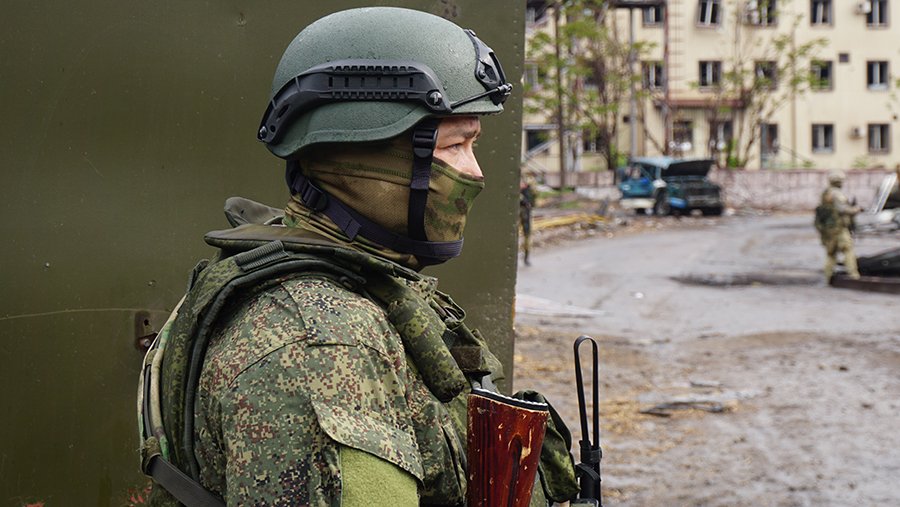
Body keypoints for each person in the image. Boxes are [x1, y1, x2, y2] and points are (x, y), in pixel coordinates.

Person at [139, 7, 578, 507]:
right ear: (365, 154)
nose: (475, 173)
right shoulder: (320, 342)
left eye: (472, 143)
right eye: (455, 145)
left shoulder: (362, 284)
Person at [815, 170, 861, 280]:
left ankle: (828, 276)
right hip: (839, 228)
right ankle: (853, 275)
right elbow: (842, 209)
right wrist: (855, 210)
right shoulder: (836, 194)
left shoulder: (826, 193)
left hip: (828, 229)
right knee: (848, 250)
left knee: (831, 253)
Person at [519, 172, 536, 266]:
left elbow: (533, 197)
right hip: (520, 210)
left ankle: (526, 257)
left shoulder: (529, 187)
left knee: (527, 235)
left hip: (526, 211)